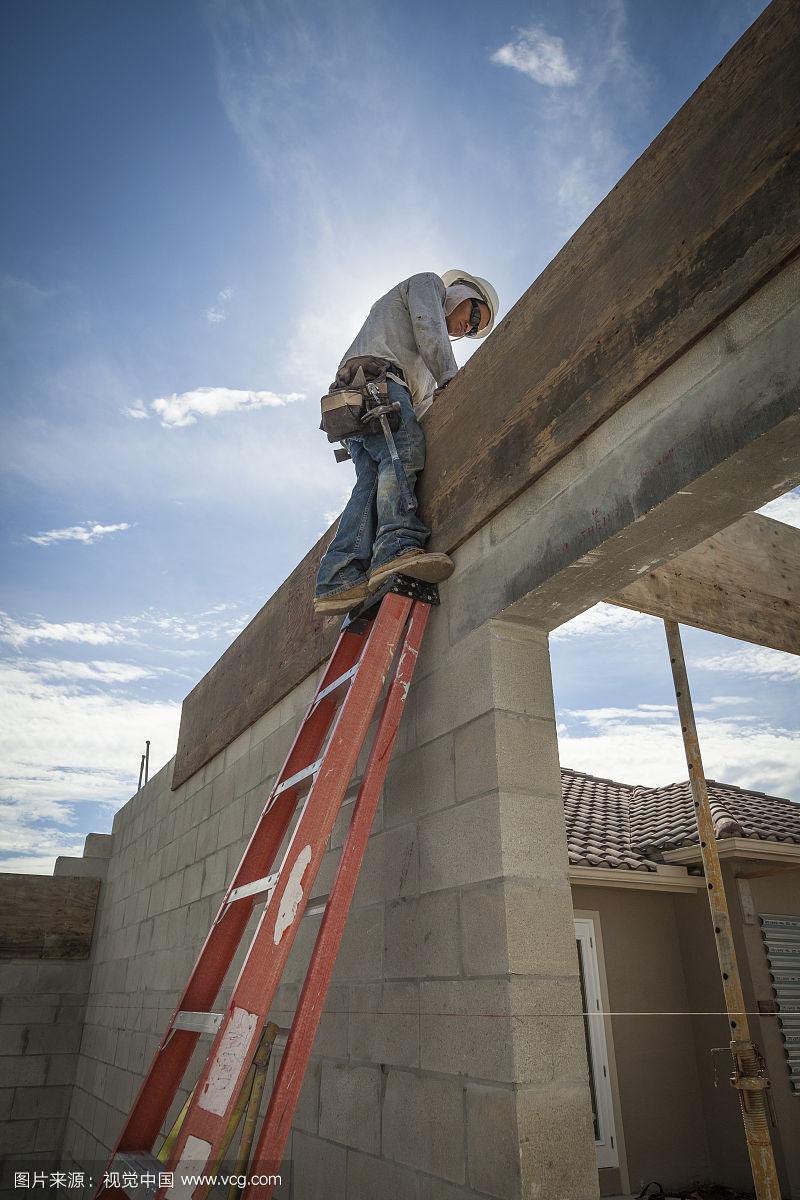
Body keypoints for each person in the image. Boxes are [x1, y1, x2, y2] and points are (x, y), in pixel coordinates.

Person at [313, 269, 498, 615]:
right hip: (375, 382)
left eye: (475, 330)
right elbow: (430, 323)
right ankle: (396, 545)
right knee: (405, 450)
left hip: (353, 399)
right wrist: (452, 378)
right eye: (474, 315)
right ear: (459, 291)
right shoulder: (429, 285)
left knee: (370, 482)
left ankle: (337, 577)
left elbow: (426, 405)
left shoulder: (424, 364)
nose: (469, 328)